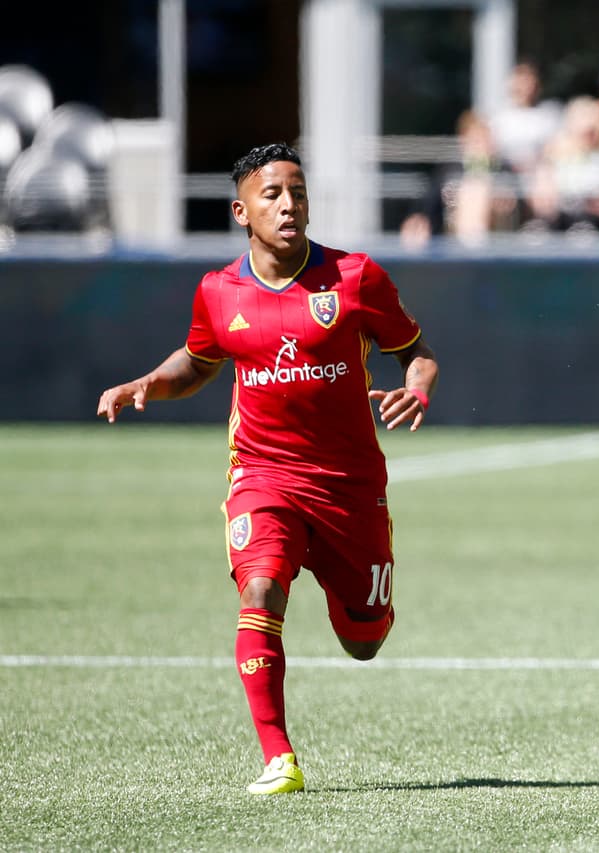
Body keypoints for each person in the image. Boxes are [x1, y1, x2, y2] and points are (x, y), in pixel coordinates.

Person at [97, 142, 440, 795]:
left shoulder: (356, 277)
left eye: (298, 193)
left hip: (349, 486)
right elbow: (199, 362)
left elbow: (416, 351)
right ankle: (279, 756)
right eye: (273, 194)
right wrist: (148, 381)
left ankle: (354, 603)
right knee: (259, 590)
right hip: (264, 475)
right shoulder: (218, 291)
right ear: (241, 210)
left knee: (365, 639)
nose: (289, 205)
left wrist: (417, 389)